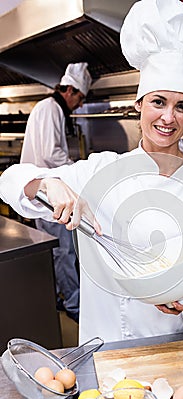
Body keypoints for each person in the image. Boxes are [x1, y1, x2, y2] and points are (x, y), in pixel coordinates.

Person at [0, 0, 183, 343]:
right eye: (158, 102)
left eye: (182, 106)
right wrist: (49, 182)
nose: (168, 118)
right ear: (139, 105)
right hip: (110, 349)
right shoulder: (101, 170)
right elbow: (10, 181)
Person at [19, 62, 92, 323]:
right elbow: (52, 154)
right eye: (80, 98)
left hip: (45, 193)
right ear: (70, 90)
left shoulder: (49, 108)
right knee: (64, 251)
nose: (80, 105)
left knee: (60, 251)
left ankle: (66, 297)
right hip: (49, 194)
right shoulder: (51, 109)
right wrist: (79, 169)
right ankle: (74, 305)